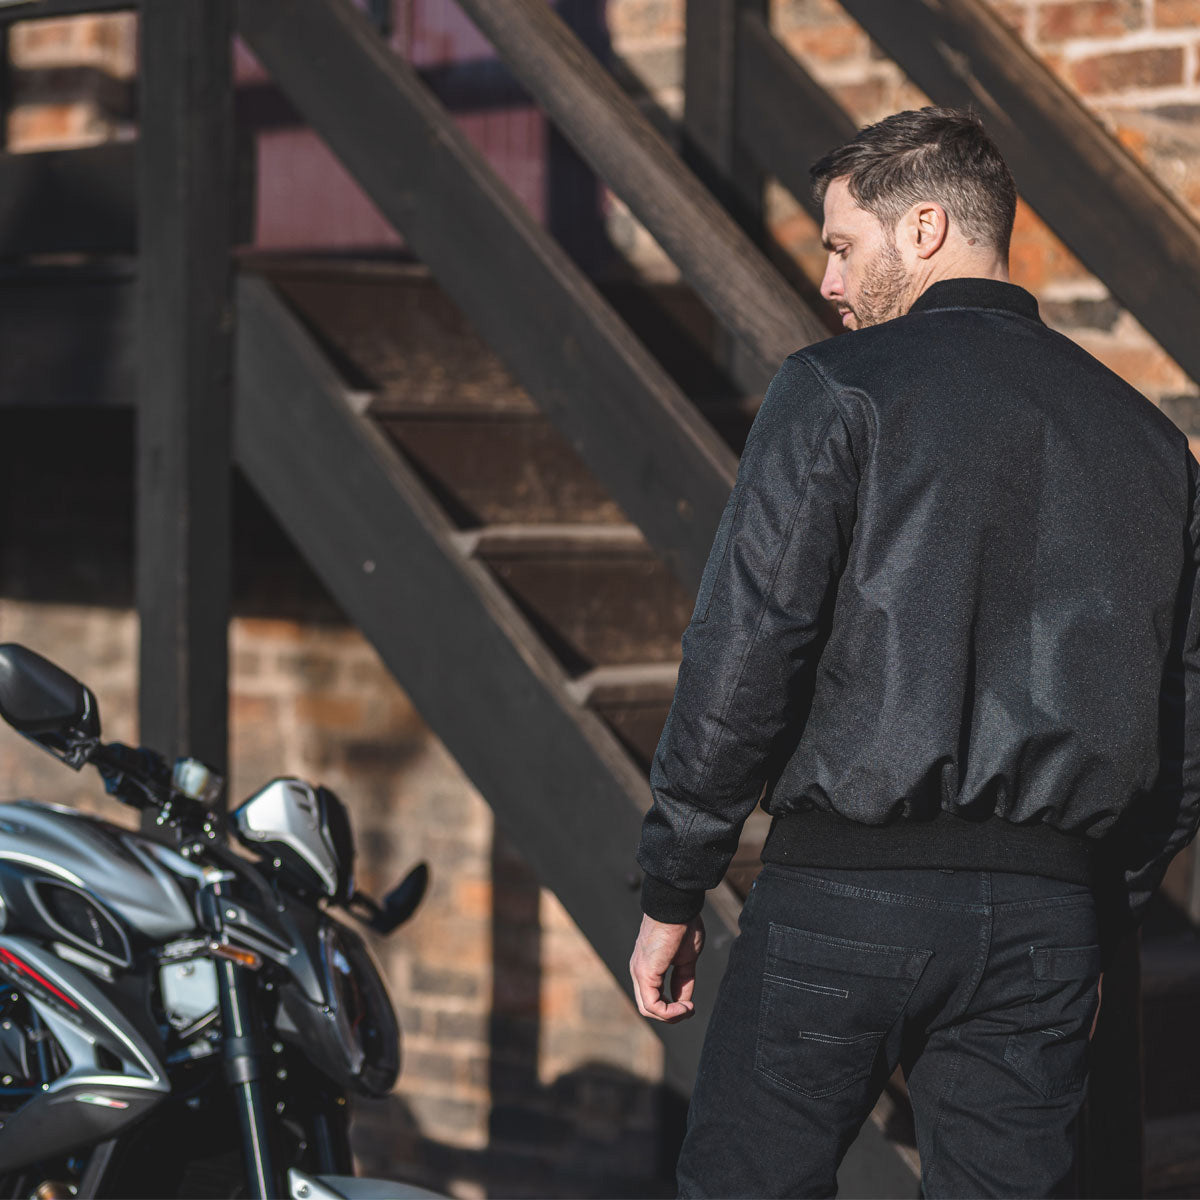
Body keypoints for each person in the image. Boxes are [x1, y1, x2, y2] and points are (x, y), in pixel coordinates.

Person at [628, 106, 1200, 1199]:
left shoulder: (837, 391)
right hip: (1044, 927)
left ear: (926, 227)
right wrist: (1099, 908)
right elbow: (1185, 709)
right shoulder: (1148, 441)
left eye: (843, 246)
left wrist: (673, 884)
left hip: (840, 903)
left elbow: (745, 652)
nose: (830, 283)